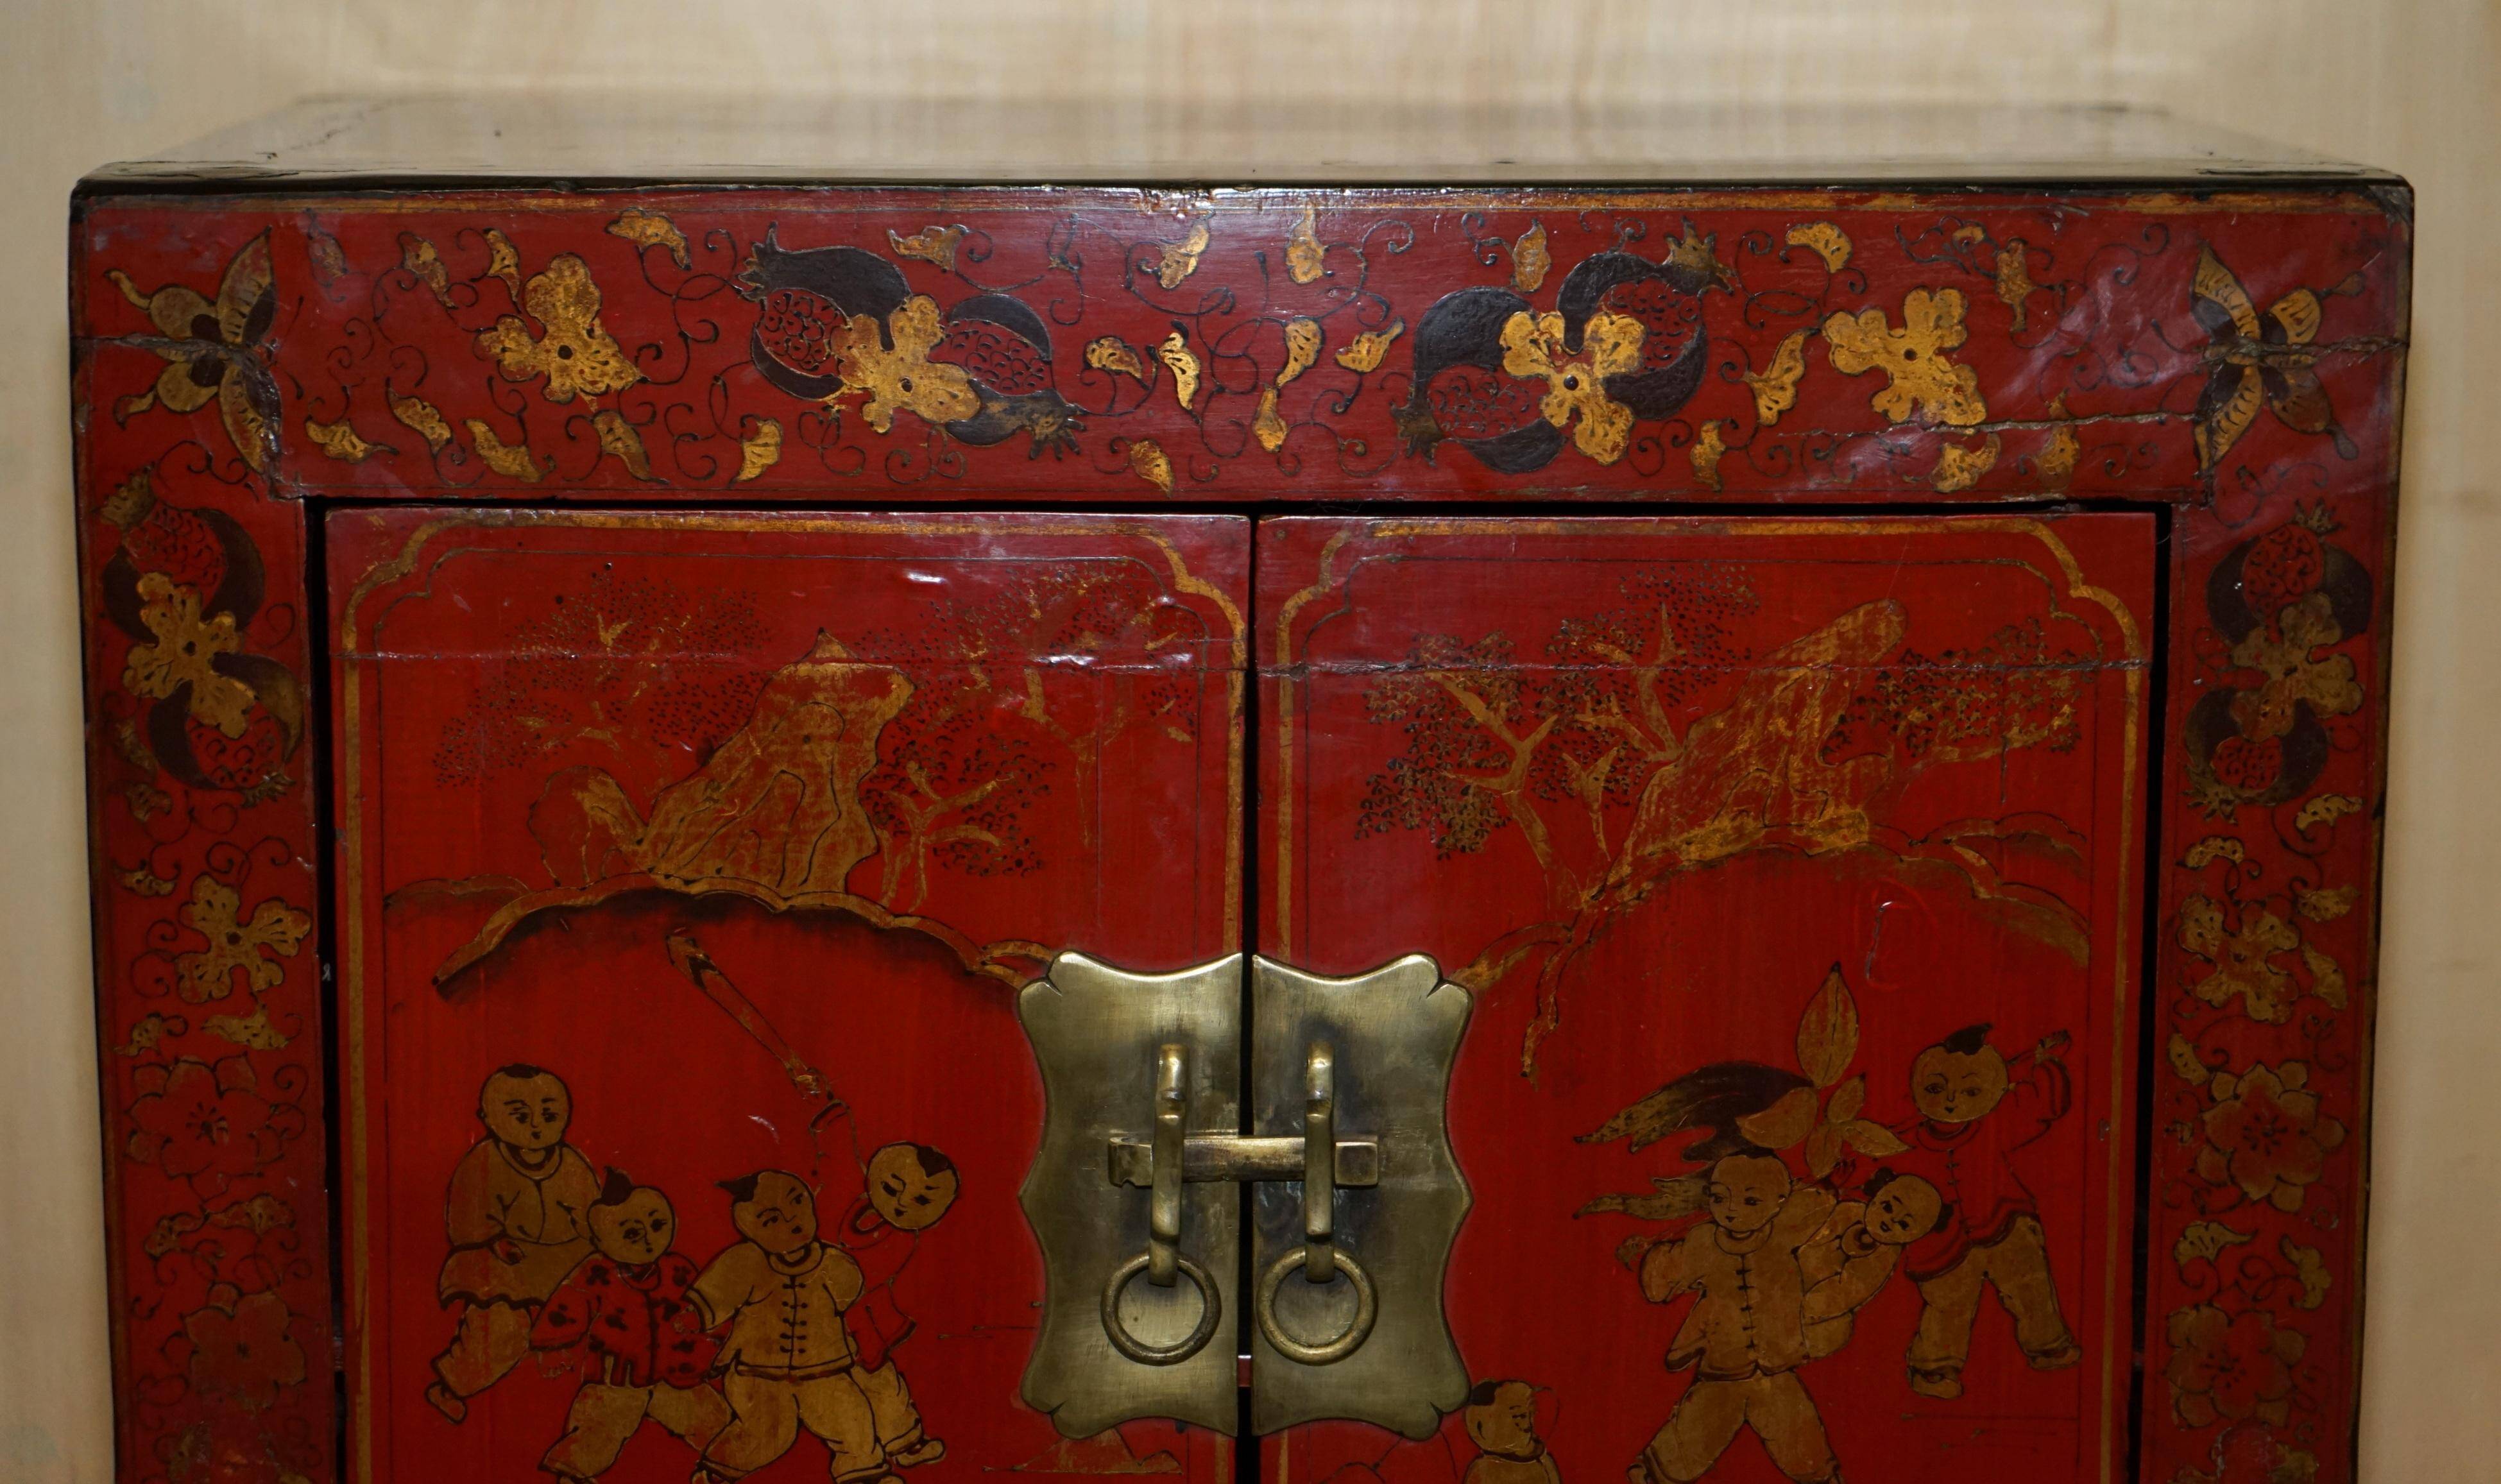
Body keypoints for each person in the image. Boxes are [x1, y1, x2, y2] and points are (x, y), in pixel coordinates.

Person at [1882, 1024, 2081, 1399]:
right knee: (1946, 1306)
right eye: (1936, 1089)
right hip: (1942, 1243)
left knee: (2030, 1285)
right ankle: (1934, 1371)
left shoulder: (1998, 1122)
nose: (1953, 1101)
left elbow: (2044, 1107)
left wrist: (2042, 1064)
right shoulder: (1904, 1142)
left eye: (1972, 1091)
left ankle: (2048, 1345)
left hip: (2004, 1221)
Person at [1625, 1152, 1839, 1484]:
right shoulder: (1702, 1243)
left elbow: (1821, 1202)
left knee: (1801, 1438)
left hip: (1777, 1366)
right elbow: (1660, 1286)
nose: (1732, 1210)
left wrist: (1831, 1176)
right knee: (1691, 1437)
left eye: (1751, 1201)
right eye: (1719, 1197)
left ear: (1778, 1202)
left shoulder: (1786, 1230)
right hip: (1722, 1368)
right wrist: (1649, 1259)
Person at [427, 1064, 601, 1422]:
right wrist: (493, 1242)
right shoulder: (483, 1161)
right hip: (502, 1264)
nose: (537, 1126)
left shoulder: (571, 1163)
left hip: (559, 1262)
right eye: (521, 1116)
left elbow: (590, 1217)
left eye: (549, 1114)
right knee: (501, 1329)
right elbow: (467, 1217)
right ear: (488, 1117)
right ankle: (452, 1385)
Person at [529, 1172, 729, 1480]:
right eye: (633, 1234)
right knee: (595, 1433)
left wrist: (718, 1349)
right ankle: (572, 1477)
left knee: (718, 1426)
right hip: (615, 1381)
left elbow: (709, 1309)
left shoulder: (678, 1269)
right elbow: (566, 1307)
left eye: (658, 1225)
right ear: (601, 1239)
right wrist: (552, 1347)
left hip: (675, 1377)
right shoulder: (596, 1274)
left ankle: (719, 1473)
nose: (649, 1239)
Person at [690, 1170, 882, 1484]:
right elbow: (713, 1297)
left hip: (823, 1370)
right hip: (758, 1374)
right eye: (771, 1221)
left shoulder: (834, 1264)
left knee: (852, 1419)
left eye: (798, 1204)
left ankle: (863, 1477)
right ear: (750, 1230)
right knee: (767, 1434)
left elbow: (850, 1297)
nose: (792, 1222)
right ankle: (716, 1474)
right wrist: (694, 1316)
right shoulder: (746, 1262)